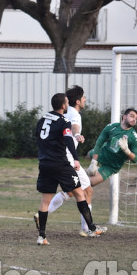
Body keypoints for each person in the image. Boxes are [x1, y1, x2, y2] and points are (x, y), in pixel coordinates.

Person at [33, 93, 106, 245]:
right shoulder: (64, 121)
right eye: (67, 103)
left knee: (45, 201)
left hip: (44, 163)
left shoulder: (42, 120)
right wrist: (76, 159)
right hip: (60, 164)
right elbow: (68, 140)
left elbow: (38, 138)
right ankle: (91, 228)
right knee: (80, 193)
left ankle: (42, 236)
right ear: (63, 106)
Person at [47, 85, 95, 237]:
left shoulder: (65, 113)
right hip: (68, 158)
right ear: (78, 101)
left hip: (59, 156)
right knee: (87, 190)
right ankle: (88, 229)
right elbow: (74, 128)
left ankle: (42, 213)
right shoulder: (74, 114)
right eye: (83, 97)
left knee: (73, 191)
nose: (85, 99)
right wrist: (77, 135)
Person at [86, 108, 137, 187]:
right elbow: (99, 143)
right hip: (103, 153)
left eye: (136, 118)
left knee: (90, 182)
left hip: (112, 165)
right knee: (88, 155)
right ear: (124, 117)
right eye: (132, 116)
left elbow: (136, 159)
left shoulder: (134, 138)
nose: (134, 119)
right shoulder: (111, 127)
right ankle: (83, 172)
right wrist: (93, 162)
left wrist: (127, 151)